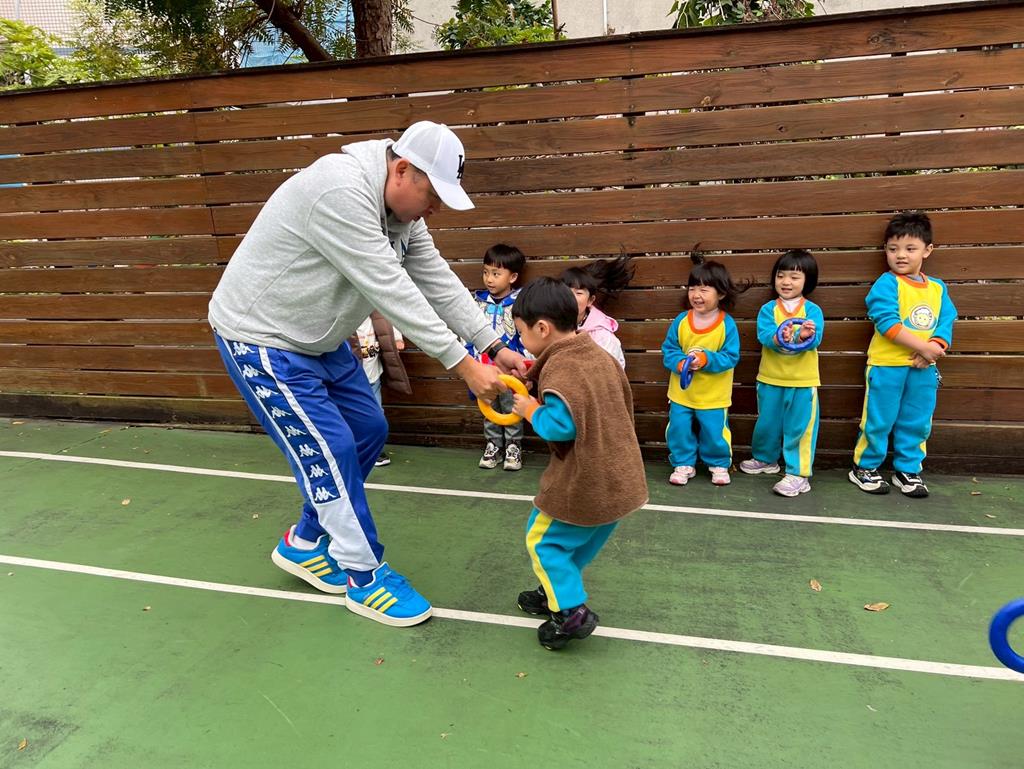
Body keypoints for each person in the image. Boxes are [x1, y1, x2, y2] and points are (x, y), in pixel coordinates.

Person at [208, 120, 528, 627]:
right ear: (402, 169)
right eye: (433, 195)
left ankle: (305, 541)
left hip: (319, 337)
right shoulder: (339, 191)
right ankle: (364, 576)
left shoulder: (402, 212)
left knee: (368, 430)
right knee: (332, 449)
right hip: (263, 338)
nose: (435, 209)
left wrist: (491, 344)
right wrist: (466, 366)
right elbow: (391, 289)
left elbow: (435, 279)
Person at [508, 278, 648, 650]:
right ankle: (552, 591)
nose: (521, 339)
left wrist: (530, 408)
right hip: (619, 479)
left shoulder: (562, 369)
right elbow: (582, 396)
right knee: (575, 544)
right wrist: (536, 374)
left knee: (542, 541)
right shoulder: (594, 354)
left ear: (542, 328)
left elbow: (561, 425)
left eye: (521, 332)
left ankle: (570, 613)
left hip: (586, 481)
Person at [849, 212, 957, 498]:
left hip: (923, 369)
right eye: (893, 248)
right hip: (887, 366)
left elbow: (946, 321)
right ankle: (864, 467)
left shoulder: (937, 288)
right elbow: (887, 323)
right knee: (879, 419)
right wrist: (923, 348)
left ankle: (908, 470)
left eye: (910, 248)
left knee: (917, 420)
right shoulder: (886, 284)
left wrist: (934, 348)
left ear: (927, 250)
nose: (900, 255)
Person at [739, 250, 825, 497]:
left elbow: (815, 338)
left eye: (794, 277)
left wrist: (803, 336)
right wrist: (780, 336)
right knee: (767, 423)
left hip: (802, 382)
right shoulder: (768, 309)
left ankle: (799, 473)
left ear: (808, 281)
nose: (786, 282)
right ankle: (766, 459)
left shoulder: (812, 311)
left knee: (800, 427)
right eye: (781, 276)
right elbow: (765, 335)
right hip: (770, 378)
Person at [662, 260, 742, 487]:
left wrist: (706, 359)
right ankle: (683, 463)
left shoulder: (727, 324)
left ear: (721, 294)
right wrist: (680, 363)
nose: (696, 295)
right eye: (692, 289)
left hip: (713, 396)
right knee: (679, 428)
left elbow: (731, 357)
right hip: (682, 393)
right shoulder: (681, 321)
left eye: (704, 289)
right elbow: (669, 350)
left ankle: (719, 463)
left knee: (714, 431)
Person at [465, 243, 528, 471]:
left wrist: (526, 363)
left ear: (513, 277)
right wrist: (469, 359)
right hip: (484, 368)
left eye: (495, 273)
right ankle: (493, 445)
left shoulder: (520, 303)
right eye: (485, 272)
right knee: (488, 406)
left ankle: (513, 446)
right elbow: (467, 333)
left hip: (511, 371)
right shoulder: (477, 302)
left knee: (512, 407)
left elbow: (525, 335)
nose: (489, 279)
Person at [350, 312, 410, 467]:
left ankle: (375, 451)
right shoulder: (346, 320)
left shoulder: (376, 314)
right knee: (355, 415)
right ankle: (357, 450)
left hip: (374, 375)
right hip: (352, 380)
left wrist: (397, 338)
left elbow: (389, 321)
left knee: (377, 414)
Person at [560, 255, 635, 369]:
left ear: (590, 300)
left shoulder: (602, 336)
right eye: (566, 292)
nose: (571, 297)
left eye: (578, 293)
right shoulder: (550, 326)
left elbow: (608, 372)